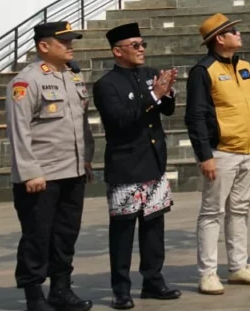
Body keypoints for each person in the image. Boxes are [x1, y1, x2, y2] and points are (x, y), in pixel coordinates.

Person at [92, 23, 183, 309]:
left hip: (153, 162)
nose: (142, 49)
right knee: (123, 231)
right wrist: (154, 95)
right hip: (126, 165)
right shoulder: (106, 85)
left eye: (143, 44)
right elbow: (121, 120)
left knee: (154, 226)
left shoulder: (150, 74)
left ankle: (153, 280)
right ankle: (121, 288)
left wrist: (167, 93)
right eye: (135, 45)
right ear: (117, 51)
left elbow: (166, 110)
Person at [6, 21, 95, 311]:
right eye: (64, 42)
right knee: (37, 235)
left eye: (71, 41)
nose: (70, 46)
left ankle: (61, 290)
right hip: (42, 175)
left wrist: (85, 160)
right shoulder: (26, 81)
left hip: (73, 171)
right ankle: (34, 296)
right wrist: (30, 172)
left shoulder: (72, 77)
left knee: (66, 235)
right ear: (44, 46)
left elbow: (78, 124)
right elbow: (19, 131)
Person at [185, 13, 250, 295]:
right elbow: (195, 116)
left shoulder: (244, 66)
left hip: (246, 151)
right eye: (233, 31)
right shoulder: (203, 70)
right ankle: (207, 273)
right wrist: (204, 155)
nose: (239, 34)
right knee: (211, 212)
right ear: (219, 39)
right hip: (220, 153)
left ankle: (238, 266)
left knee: (240, 211)